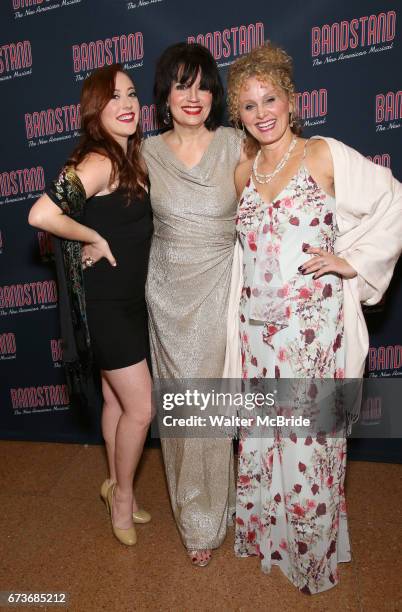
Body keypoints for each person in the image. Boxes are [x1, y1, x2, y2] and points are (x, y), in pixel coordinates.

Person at [225, 43, 402, 593]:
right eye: (249, 106)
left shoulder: (322, 155)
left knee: (310, 444)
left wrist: (352, 263)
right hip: (257, 334)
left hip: (311, 336)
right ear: (239, 116)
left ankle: (314, 553)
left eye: (270, 98)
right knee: (260, 437)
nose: (262, 113)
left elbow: (393, 199)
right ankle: (273, 542)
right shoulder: (242, 173)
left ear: (292, 100)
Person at [28, 64, 153, 547]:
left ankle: (116, 485)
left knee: (117, 400)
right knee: (140, 409)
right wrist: (92, 235)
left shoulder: (130, 159)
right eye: (112, 97)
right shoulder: (100, 160)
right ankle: (122, 497)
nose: (126, 104)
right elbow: (41, 213)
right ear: (94, 111)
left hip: (128, 301)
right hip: (104, 306)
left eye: (131, 94)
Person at [142, 42, 244, 567]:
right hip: (166, 294)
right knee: (181, 409)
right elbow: (114, 209)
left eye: (204, 84)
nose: (194, 95)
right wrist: (89, 239)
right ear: (164, 94)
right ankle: (194, 514)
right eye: (182, 84)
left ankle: (218, 511)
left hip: (220, 288)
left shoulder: (236, 143)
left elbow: (280, 188)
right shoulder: (144, 153)